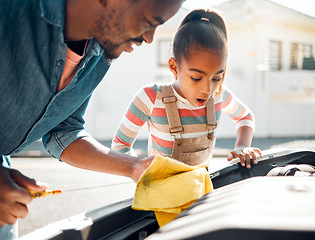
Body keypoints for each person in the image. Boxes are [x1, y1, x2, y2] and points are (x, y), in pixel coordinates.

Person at [0, 0, 183, 238]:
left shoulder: (101, 52)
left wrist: (134, 167)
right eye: (149, 22)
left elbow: (63, 130)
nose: (149, 38)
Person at [112, 9, 262, 172]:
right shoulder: (151, 97)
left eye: (217, 78)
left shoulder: (219, 95)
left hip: (202, 192)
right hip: (160, 194)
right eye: (196, 78)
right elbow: (120, 145)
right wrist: (141, 171)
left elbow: (245, 117)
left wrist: (242, 146)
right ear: (174, 66)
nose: (207, 89)